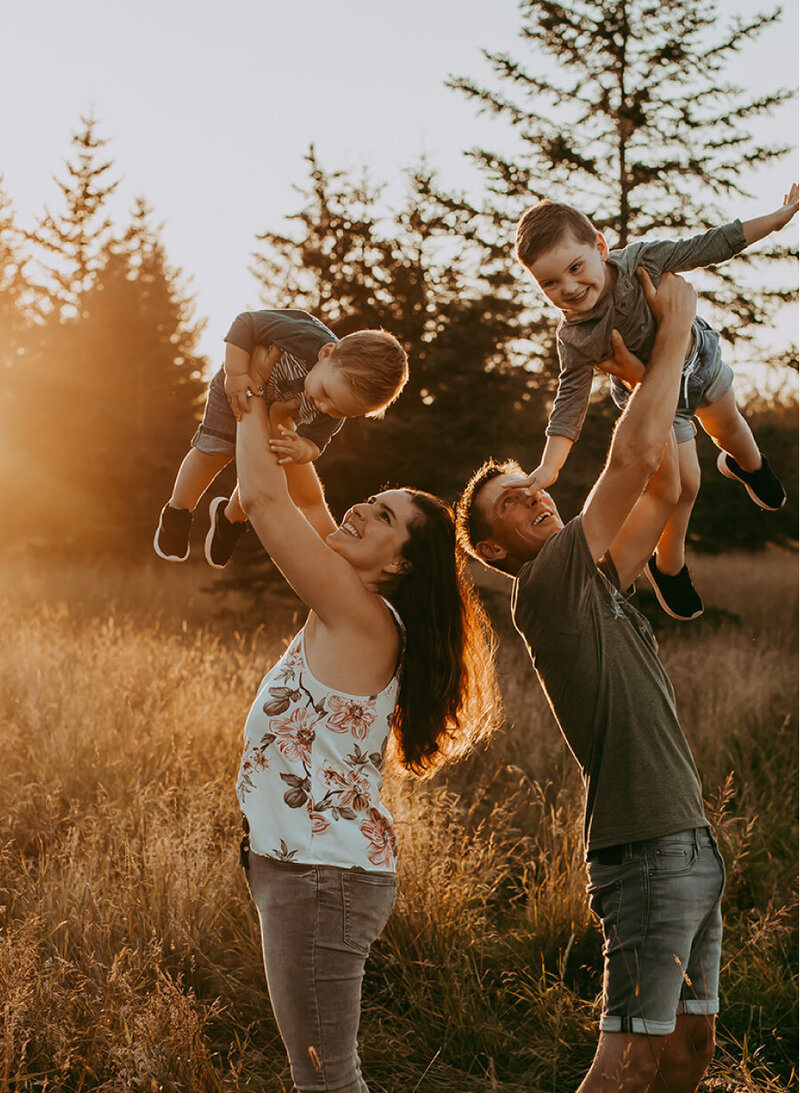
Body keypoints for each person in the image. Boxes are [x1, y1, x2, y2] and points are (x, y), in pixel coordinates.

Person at [457, 272, 726, 1092]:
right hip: (643, 846)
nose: (534, 496)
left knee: (687, 1053)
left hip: (685, 839)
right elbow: (636, 455)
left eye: (532, 485)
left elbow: (665, 485)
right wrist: (673, 333)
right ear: (494, 550)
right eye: (512, 502)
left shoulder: (597, 579)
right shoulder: (547, 581)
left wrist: (640, 379)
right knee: (626, 1061)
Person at [233, 391, 500, 1092]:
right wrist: (298, 448)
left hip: (322, 879)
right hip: (311, 872)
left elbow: (263, 501)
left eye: (383, 516)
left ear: (400, 564)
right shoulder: (352, 600)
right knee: (322, 1074)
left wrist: (246, 397)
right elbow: (312, 504)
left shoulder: (362, 617)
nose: (360, 510)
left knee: (325, 1079)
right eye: (370, 499)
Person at [514, 186, 797, 620]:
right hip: (651, 395)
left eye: (575, 267)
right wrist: (550, 466)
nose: (568, 288)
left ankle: (750, 465)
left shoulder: (639, 262)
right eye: (549, 282)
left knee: (729, 428)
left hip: (698, 361)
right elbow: (569, 401)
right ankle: (669, 568)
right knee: (686, 485)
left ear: (600, 247)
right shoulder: (574, 337)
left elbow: (708, 245)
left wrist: (775, 220)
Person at [154, 308, 409, 569]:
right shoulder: (300, 336)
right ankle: (177, 512)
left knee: (263, 468)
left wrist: (303, 448)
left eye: (339, 411)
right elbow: (245, 323)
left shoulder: (333, 404)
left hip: (276, 408)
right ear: (326, 354)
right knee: (215, 451)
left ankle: (230, 520)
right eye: (325, 394)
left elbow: (315, 445)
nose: (323, 407)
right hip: (238, 387)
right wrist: (237, 374)